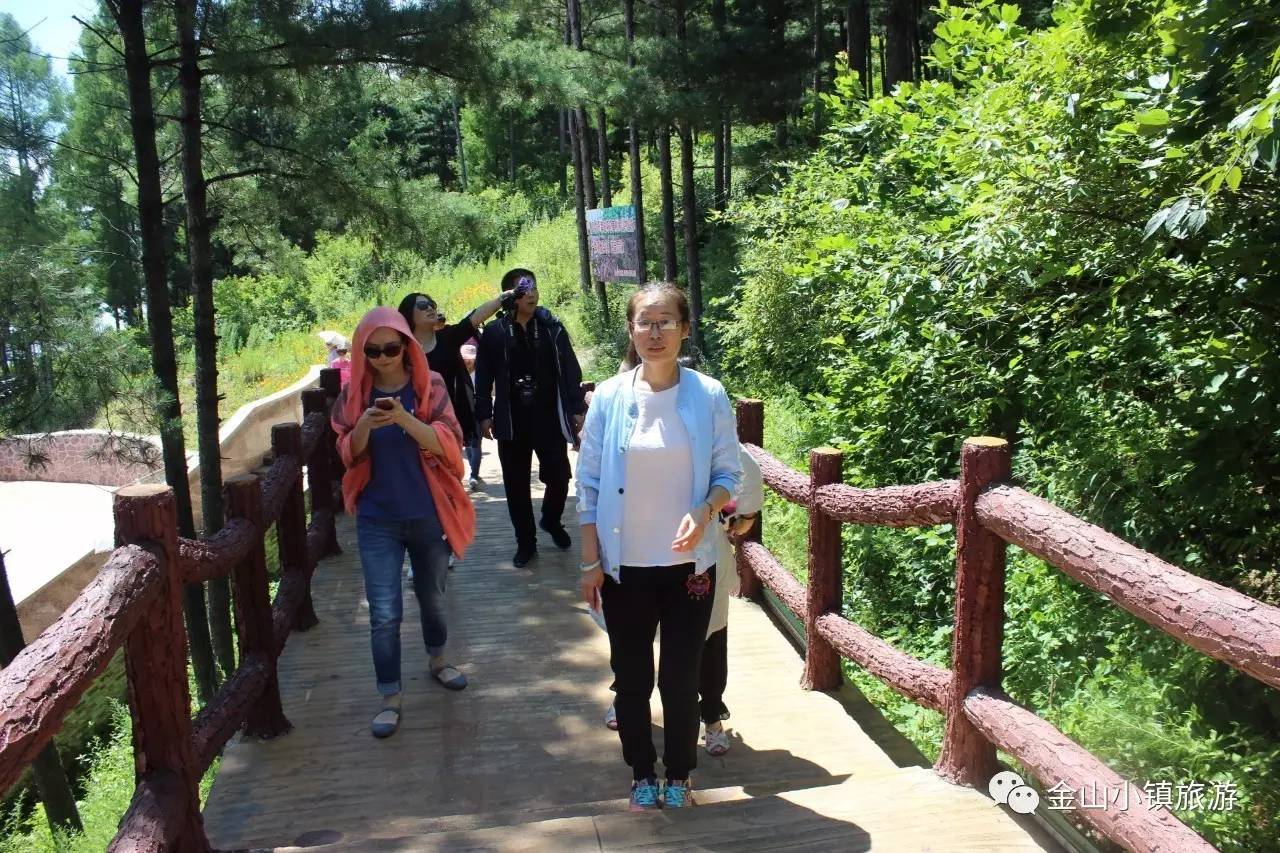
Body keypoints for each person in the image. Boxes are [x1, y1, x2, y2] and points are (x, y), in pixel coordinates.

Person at [577, 281, 742, 811]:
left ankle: (681, 773)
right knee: (631, 679)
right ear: (631, 329)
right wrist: (590, 561)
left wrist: (705, 510)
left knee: (680, 676)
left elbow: (728, 474)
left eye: (666, 320)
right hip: (625, 566)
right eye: (645, 322)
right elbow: (590, 485)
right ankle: (641, 771)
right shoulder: (608, 396)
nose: (655, 332)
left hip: (690, 566)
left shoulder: (709, 394)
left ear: (685, 328)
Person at [330, 307, 478, 739]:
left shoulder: (428, 385)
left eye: (391, 348)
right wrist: (363, 426)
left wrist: (403, 418)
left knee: (432, 596)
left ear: (406, 346)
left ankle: (438, 659)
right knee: (384, 613)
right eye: (372, 351)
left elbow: (449, 445)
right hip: (377, 519)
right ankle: (389, 697)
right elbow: (348, 454)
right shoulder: (354, 394)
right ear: (362, 352)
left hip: (428, 512)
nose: (382, 358)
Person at [475, 268, 586, 568]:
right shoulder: (496, 333)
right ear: (510, 297)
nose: (532, 293)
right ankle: (526, 542)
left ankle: (551, 519)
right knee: (515, 484)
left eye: (535, 287)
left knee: (560, 477)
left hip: (548, 416)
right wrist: (484, 413)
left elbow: (571, 369)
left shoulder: (552, 327)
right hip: (511, 420)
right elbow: (483, 376)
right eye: (524, 289)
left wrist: (576, 408)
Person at [397, 290, 503, 494]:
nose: (430, 308)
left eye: (432, 304)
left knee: (448, 476)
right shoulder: (399, 349)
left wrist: (501, 299)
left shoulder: (448, 337)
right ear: (408, 314)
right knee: (419, 478)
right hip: (412, 421)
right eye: (422, 305)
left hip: (448, 419)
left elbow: (475, 317)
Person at [699, 447, 762, 756]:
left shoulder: (709, 420)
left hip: (705, 553)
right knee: (636, 632)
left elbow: (744, 468)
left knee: (711, 636)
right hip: (641, 551)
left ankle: (711, 717)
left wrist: (742, 514)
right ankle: (625, 698)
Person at [460, 337, 483, 485]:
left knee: (476, 443)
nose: (468, 361)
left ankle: (474, 474)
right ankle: (473, 469)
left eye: (470, 359)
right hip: (464, 412)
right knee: (467, 443)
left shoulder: (481, 374)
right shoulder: (458, 374)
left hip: (478, 411)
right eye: (465, 358)